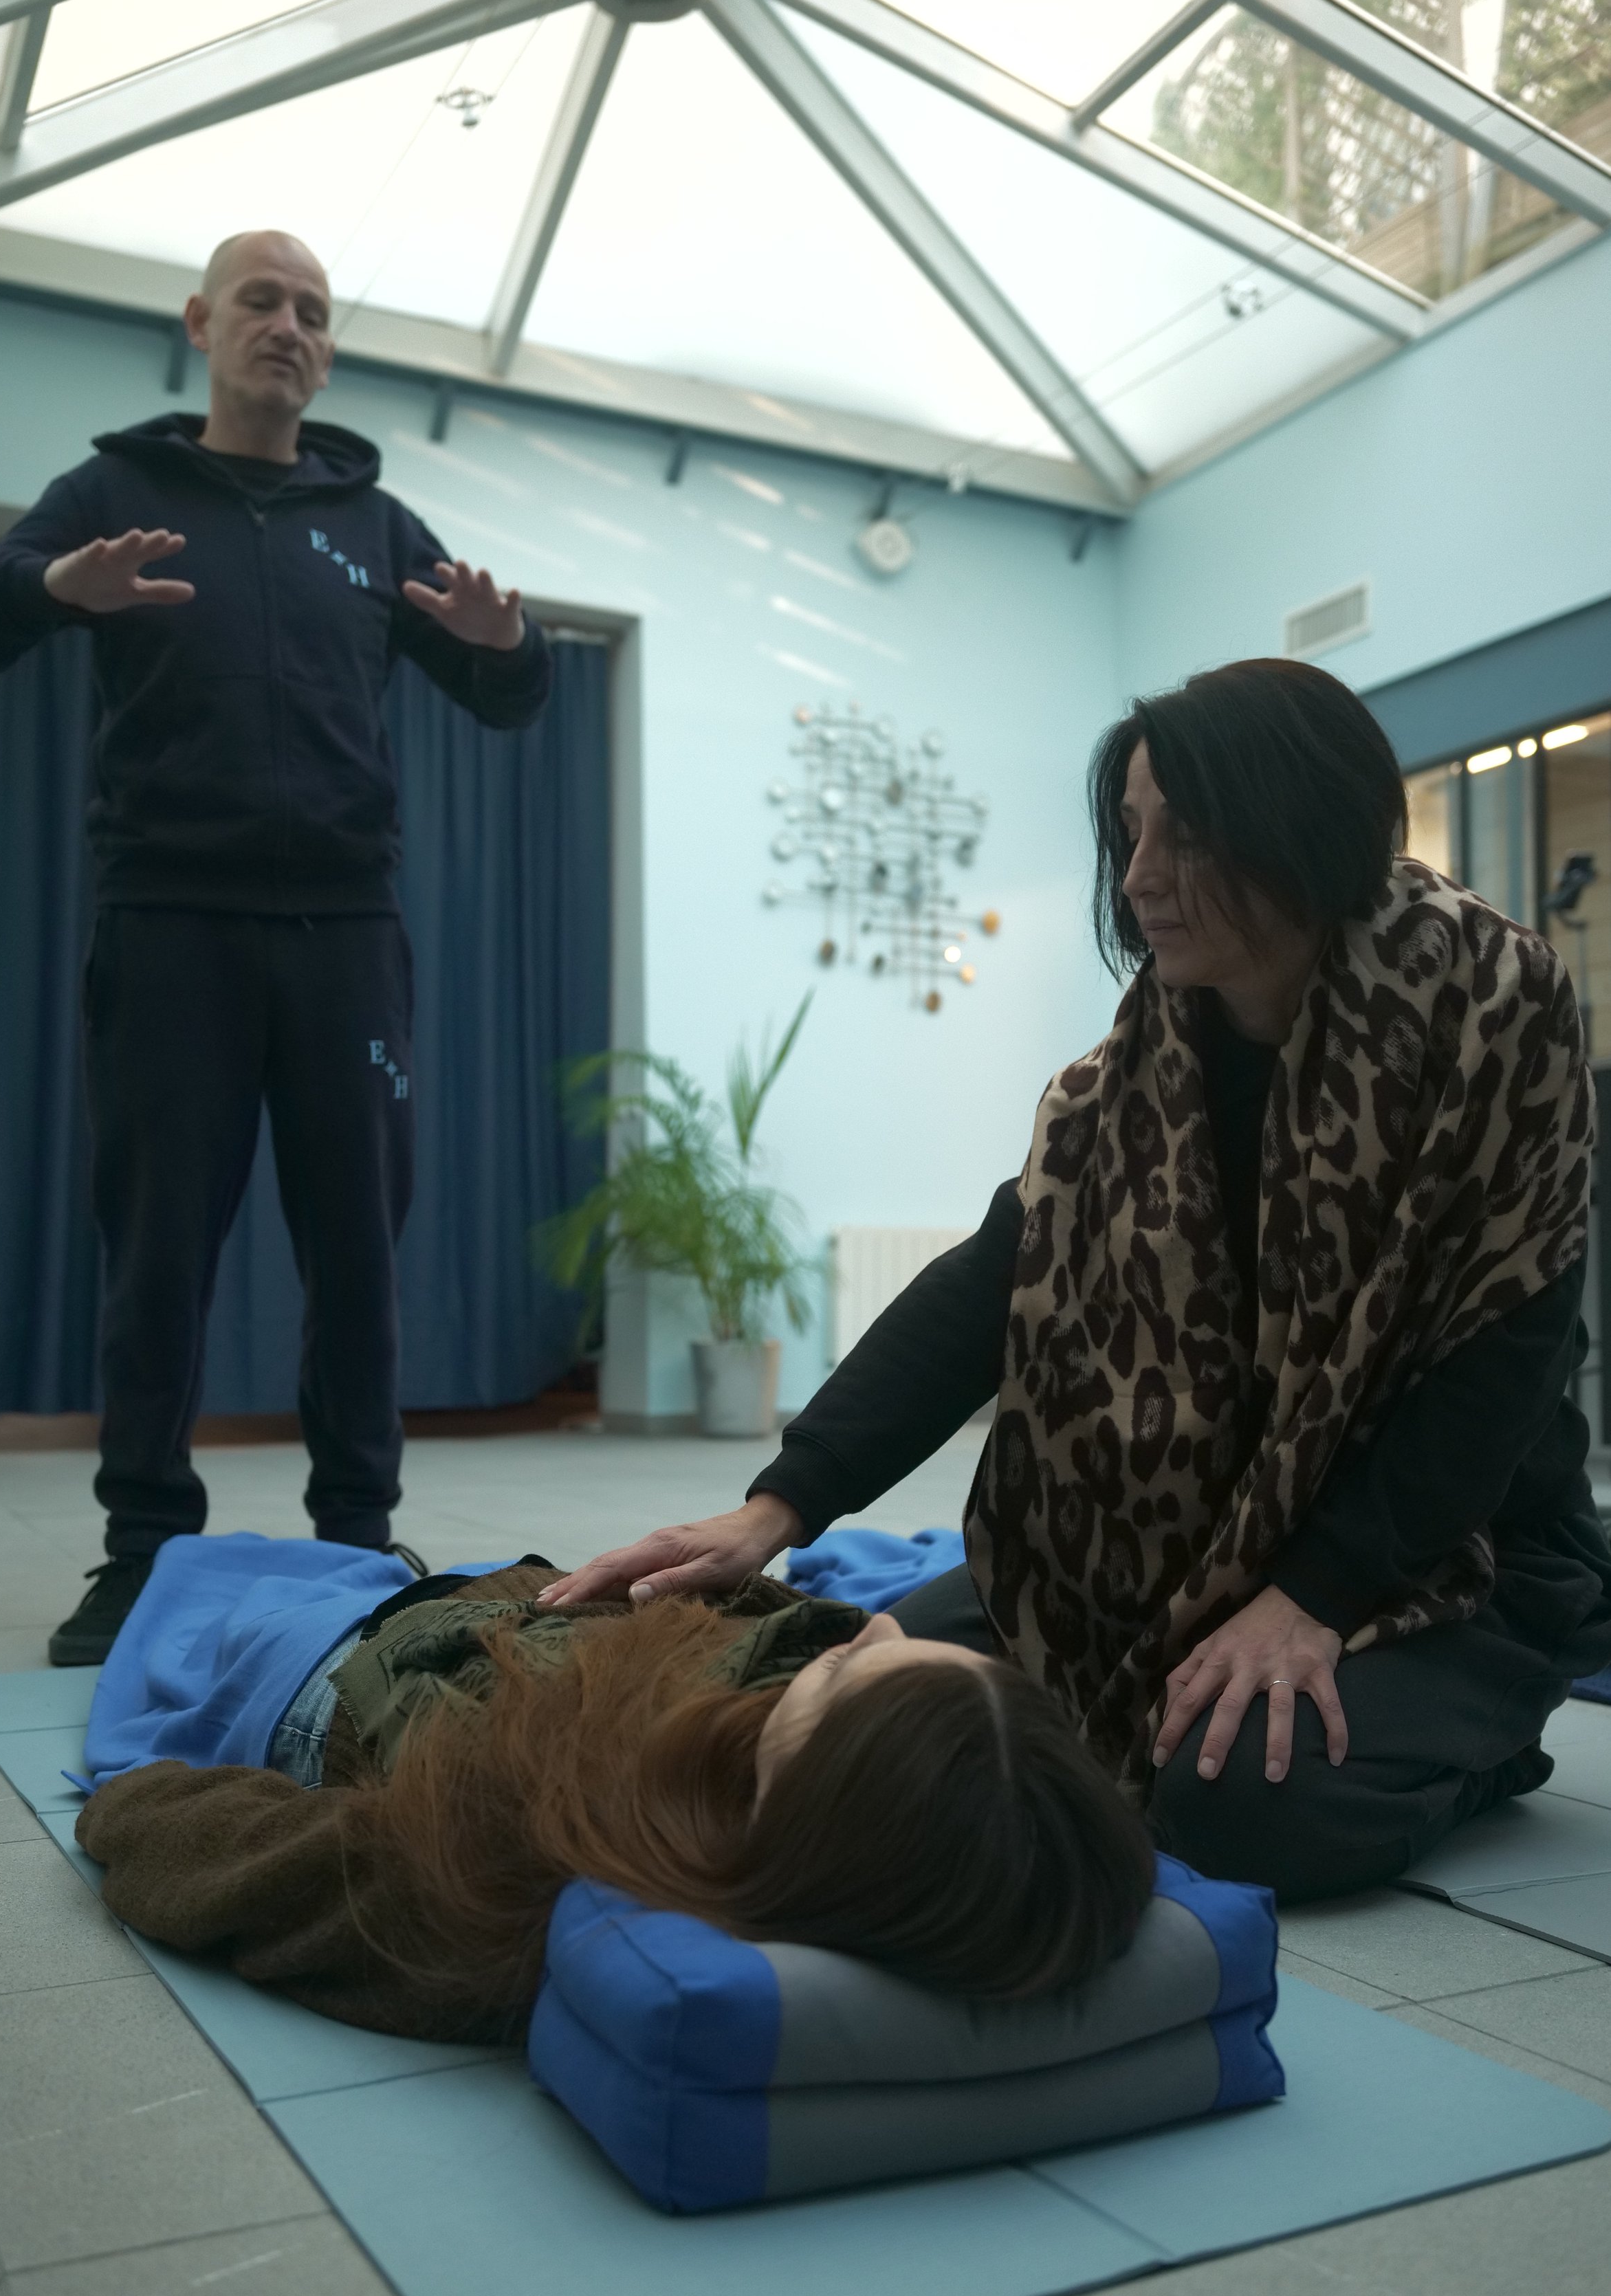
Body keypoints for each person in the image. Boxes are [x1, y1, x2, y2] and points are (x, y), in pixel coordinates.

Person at [540, 658, 1611, 1903]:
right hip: (1168, 1547)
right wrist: (779, 1506)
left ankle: (1488, 1738)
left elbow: (1511, 1355)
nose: (1139, 875)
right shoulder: (1139, 1066)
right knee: (865, 1693)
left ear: (1303, 829)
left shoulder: (1494, 1009)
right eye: (1130, 831)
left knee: (1237, 1800)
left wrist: (1310, 1597)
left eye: (1185, 835)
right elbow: (994, 1282)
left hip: (1449, 1550)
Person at [0, 231, 551, 1666]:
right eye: (262, 301)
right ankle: (142, 1549)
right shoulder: (112, 493)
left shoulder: (376, 523)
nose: (290, 325)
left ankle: (357, 1542)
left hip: (346, 937)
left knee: (357, 1252)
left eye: (314, 311)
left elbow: (507, 698)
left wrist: (508, 648)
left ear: (326, 353)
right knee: (157, 1252)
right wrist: (50, 588)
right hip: (170, 924)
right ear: (202, 324)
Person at [72, 1547, 1154, 2043]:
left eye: (845, 1672)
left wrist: (150, 1795)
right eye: (903, 1649)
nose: (872, 1626)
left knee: (222, 1583)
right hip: (547, 1613)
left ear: (805, 1806)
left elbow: (160, 1826)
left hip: (368, 1662)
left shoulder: (502, 1880)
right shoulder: (860, 1750)